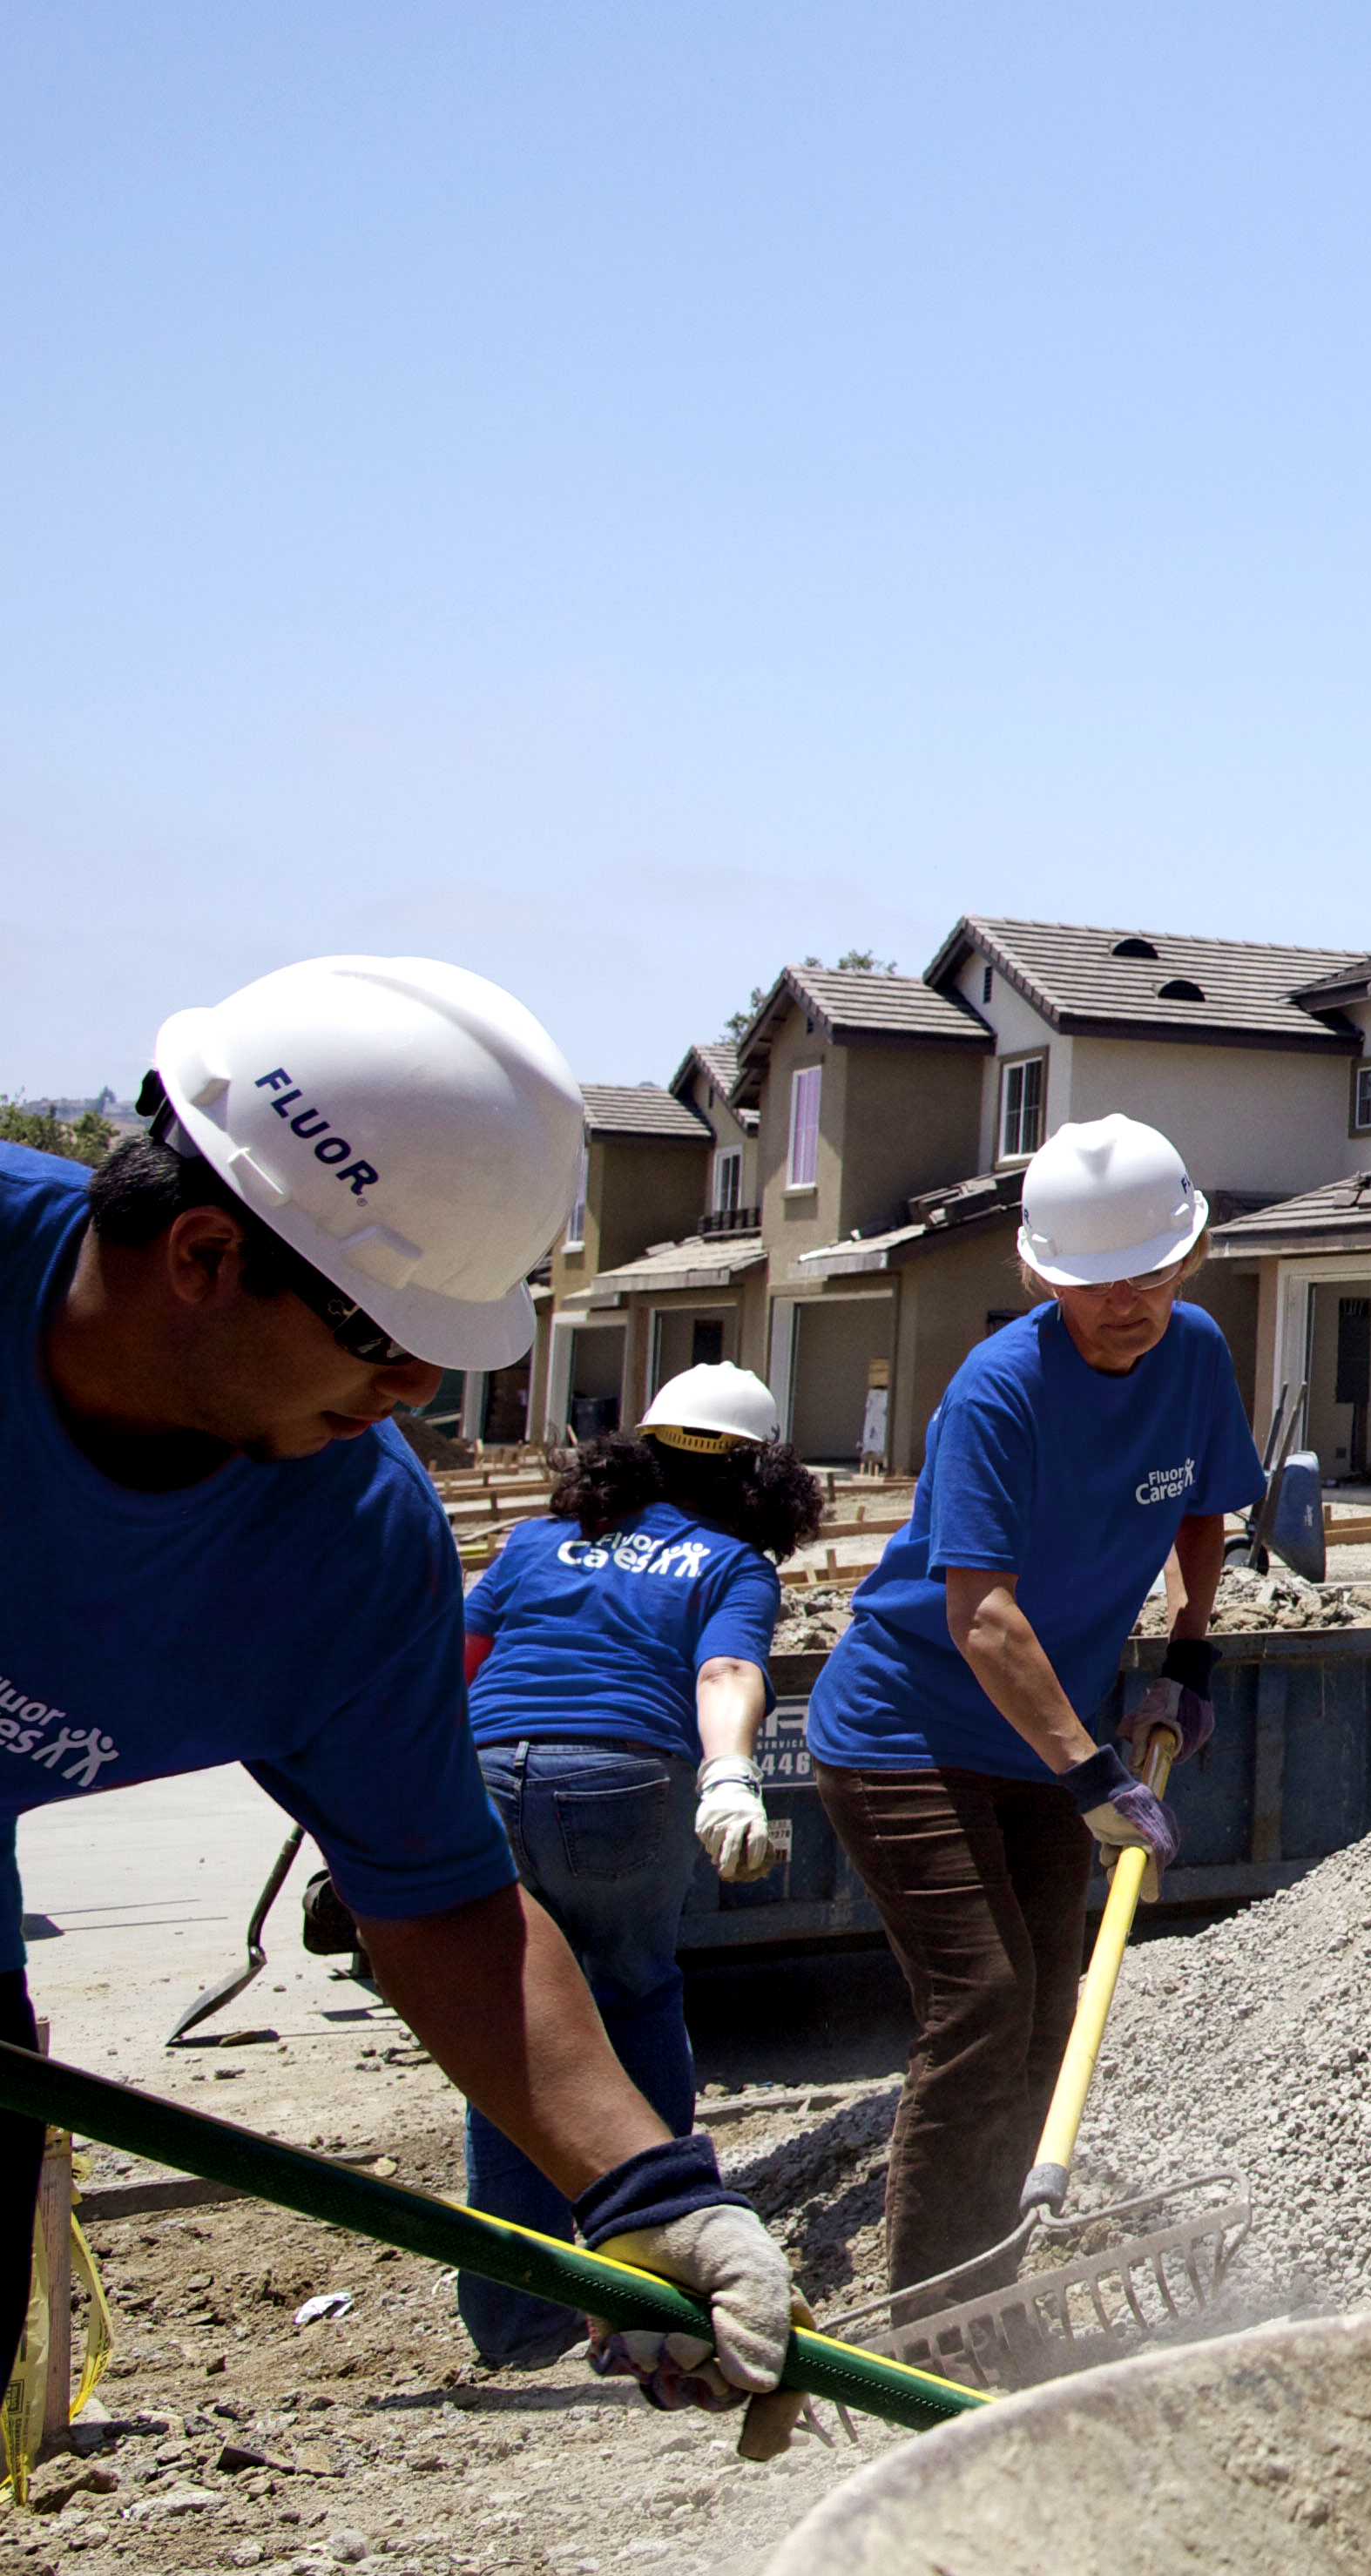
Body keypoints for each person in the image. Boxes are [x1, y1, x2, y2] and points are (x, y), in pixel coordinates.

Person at [1, 957, 810, 2451]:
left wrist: (647, 2192)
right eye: (384, 1335)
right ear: (200, 1256)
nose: (423, 1389)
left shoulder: (347, 1548)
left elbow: (443, 1905)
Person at [798, 1114, 1263, 2304]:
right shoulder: (1000, 1390)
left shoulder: (1197, 1353)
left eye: (1152, 1275)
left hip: (1049, 1730)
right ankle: (928, 2315)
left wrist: (1189, 1653)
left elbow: (1197, 1504)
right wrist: (1094, 1773)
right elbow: (983, 1615)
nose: (1130, 1303)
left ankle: (996, 2283)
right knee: (983, 2002)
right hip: (907, 1728)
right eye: (1099, 1283)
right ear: (1043, 1275)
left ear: (1187, 1260)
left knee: (1051, 2007)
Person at [452, 1359, 819, 2364]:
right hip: (618, 1784)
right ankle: (655, 2276)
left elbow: (461, 1668)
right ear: (760, 1478)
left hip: (485, 1775)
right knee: (635, 1997)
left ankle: (519, 2318)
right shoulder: (731, 1561)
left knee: (516, 2032)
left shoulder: (533, 1542)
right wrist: (730, 1774)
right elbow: (728, 1668)